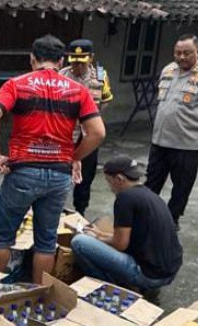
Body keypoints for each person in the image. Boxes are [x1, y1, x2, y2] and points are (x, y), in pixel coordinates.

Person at [0, 35, 105, 284]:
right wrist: (73, 157)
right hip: (59, 175)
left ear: (32, 59)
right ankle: (38, 295)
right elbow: (98, 133)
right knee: (46, 242)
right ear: (61, 61)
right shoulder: (78, 91)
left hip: (23, 171)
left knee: (2, 238)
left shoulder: (17, 84)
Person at [70, 155, 181, 299]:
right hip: (168, 271)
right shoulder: (150, 195)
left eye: (109, 182)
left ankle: (113, 288)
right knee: (96, 236)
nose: (110, 188)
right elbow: (132, 237)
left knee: (79, 242)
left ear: (119, 179)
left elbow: (120, 244)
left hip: (148, 274)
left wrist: (96, 238)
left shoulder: (125, 198)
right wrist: (100, 235)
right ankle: (143, 286)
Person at [147, 35, 198, 230]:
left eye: (187, 53)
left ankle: (172, 220)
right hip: (160, 141)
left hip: (187, 144)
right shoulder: (168, 70)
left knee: (182, 186)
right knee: (151, 183)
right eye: (178, 53)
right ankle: (146, 215)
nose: (181, 57)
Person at [59, 39, 113, 217]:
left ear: (91, 58)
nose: (78, 66)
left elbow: (105, 101)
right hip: (65, 132)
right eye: (75, 62)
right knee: (60, 170)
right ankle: (57, 206)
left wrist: (91, 119)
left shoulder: (100, 76)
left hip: (88, 134)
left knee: (86, 175)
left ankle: (80, 211)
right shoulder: (62, 75)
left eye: (82, 62)